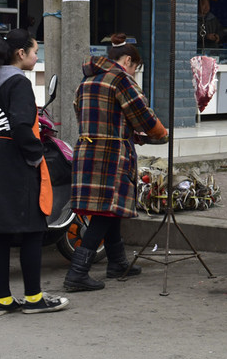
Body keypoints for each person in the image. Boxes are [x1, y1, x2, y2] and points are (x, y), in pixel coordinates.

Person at [0, 29, 69, 315]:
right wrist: (36, 158)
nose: (37, 57)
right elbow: (23, 125)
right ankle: (34, 298)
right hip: (17, 166)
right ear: (20, 54)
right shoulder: (18, 83)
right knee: (33, 231)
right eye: (35, 51)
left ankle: (2, 301)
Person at [65, 33, 168, 292]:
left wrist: (129, 134)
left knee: (108, 209)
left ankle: (117, 263)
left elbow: (91, 116)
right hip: (110, 153)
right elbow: (143, 117)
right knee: (104, 211)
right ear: (129, 61)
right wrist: (160, 133)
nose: (135, 72)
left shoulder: (86, 81)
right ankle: (77, 273)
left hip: (87, 150)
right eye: (136, 67)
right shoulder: (120, 79)